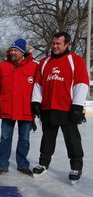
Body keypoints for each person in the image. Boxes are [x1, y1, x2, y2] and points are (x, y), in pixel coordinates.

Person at [31, 31, 89, 183]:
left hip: (67, 108)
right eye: (53, 43)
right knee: (47, 137)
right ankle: (43, 164)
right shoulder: (44, 62)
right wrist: (36, 101)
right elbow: (38, 84)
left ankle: (76, 166)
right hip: (48, 107)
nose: (55, 46)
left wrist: (77, 106)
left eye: (58, 44)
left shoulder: (75, 60)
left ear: (67, 44)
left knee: (72, 139)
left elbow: (81, 83)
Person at [0, 38, 38, 176]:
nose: (13, 52)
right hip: (7, 108)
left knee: (24, 139)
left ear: (23, 52)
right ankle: (2, 165)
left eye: (16, 50)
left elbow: (39, 87)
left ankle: (22, 165)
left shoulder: (34, 67)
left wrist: (37, 105)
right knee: (5, 138)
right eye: (11, 50)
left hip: (26, 109)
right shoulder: (2, 66)